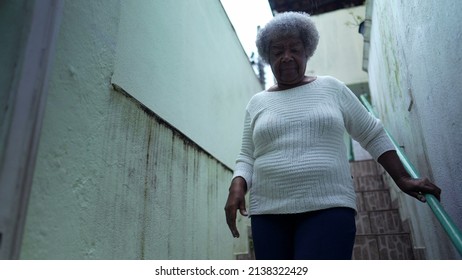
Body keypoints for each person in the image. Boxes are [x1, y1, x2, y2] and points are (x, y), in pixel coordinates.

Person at [224, 11, 441, 260]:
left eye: (294, 49)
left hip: (328, 208)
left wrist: (402, 178)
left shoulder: (331, 88)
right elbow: (246, 156)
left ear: (307, 50)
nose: (286, 57)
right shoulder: (257, 103)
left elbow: (371, 133)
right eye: (277, 52)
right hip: (268, 215)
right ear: (268, 56)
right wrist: (237, 186)